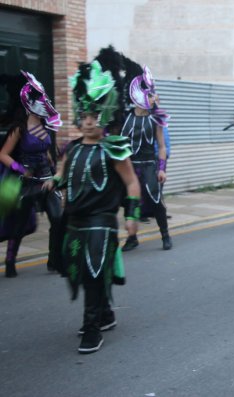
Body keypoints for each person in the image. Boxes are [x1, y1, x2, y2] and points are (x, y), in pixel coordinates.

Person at [47, 59, 140, 354]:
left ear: (106, 114)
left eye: (95, 115)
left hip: (102, 220)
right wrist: (51, 183)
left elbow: (132, 183)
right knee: (79, 271)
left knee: (94, 271)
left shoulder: (114, 148)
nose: (89, 121)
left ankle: (91, 328)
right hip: (74, 220)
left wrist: (132, 215)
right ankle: (105, 313)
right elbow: (63, 178)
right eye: (85, 115)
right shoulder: (71, 149)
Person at [0, 71, 63, 278]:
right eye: (38, 98)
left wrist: (55, 166)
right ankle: (10, 261)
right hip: (26, 181)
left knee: (58, 218)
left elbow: (45, 151)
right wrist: (19, 169)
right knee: (18, 225)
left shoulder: (47, 126)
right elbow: (3, 155)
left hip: (46, 179)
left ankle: (54, 260)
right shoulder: (19, 129)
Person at [120, 60, 172, 251]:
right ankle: (132, 238)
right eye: (149, 94)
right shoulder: (126, 117)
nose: (153, 98)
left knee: (156, 200)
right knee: (130, 202)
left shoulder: (155, 118)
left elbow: (161, 146)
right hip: (130, 166)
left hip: (149, 165)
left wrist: (161, 169)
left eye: (152, 94)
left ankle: (165, 235)